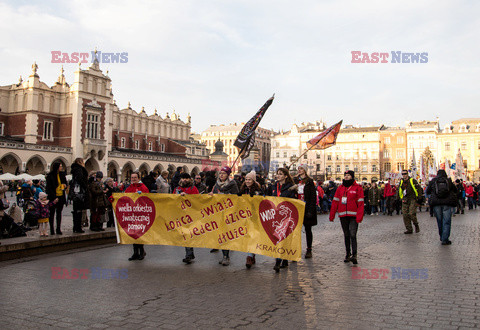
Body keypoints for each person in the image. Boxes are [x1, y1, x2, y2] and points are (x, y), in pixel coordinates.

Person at [329, 170, 364, 264]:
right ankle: (347, 254)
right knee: (346, 235)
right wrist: (332, 215)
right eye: (345, 175)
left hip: (353, 215)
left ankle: (354, 255)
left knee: (353, 234)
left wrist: (359, 216)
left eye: (348, 175)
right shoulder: (340, 188)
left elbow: (360, 203)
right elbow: (335, 201)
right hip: (343, 215)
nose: (346, 177)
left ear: (352, 177)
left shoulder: (358, 188)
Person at [209, 166, 239, 266]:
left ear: (228, 175)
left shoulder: (232, 183)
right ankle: (224, 254)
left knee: (225, 235)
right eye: (220, 173)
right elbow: (213, 194)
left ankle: (226, 257)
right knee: (220, 234)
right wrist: (211, 195)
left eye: (224, 173)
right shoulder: (217, 184)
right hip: (218, 213)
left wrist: (228, 195)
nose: (221, 175)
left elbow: (236, 197)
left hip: (229, 213)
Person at [269, 167, 297, 272]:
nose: (278, 176)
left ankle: (278, 261)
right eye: (277, 174)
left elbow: (294, 201)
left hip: (286, 216)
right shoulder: (274, 186)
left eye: (280, 174)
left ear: (285, 176)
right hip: (276, 215)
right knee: (278, 238)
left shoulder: (290, 187)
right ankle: (284, 260)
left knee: (282, 238)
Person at [239, 170, 264, 269]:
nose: (247, 181)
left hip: (255, 217)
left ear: (253, 181)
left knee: (252, 236)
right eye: (246, 179)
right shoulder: (242, 189)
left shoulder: (258, 190)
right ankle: (252, 255)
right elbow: (235, 197)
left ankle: (249, 256)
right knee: (248, 236)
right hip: (244, 216)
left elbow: (261, 201)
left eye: (249, 179)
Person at [426, 169, 457, 245]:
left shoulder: (433, 181)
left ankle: (441, 236)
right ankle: (445, 239)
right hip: (447, 203)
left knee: (439, 221)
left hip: (436, 204)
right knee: (446, 221)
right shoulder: (448, 180)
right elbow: (455, 190)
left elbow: (427, 191)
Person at [124, 171, 150, 261]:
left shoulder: (143, 187)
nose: (133, 179)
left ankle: (141, 251)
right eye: (132, 178)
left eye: (135, 178)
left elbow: (147, 198)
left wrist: (141, 195)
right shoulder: (129, 187)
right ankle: (135, 252)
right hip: (132, 214)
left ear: (138, 178)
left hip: (140, 214)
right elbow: (124, 197)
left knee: (139, 233)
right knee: (133, 233)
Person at [174, 173, 199, 264]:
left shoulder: (193, 188)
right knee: (185, 235)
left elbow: (197, 200)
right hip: (180, 215)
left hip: (190, 215)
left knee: (188, 234)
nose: (185, 180)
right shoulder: (177, 189)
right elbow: (172, 200)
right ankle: (190, 253)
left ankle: (188, 254)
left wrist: (187, 196)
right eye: (183, 178)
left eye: (187, 178)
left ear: (190, 179)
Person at [296, 164, 317, 259]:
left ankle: (309, 249)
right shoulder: (296, 181)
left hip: (306, 207)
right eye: (298, 169)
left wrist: (310, 210)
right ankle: (295, 249)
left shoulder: (309, 181)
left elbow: (313, 197)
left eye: (301, 169)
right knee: (295, 230)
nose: (299, 170)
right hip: (297, 207)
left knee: (308, 229)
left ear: (305, 170)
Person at [397, 170, 423, 234]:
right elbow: (399, 190)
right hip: (405, 199)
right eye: (403, 174)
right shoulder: (401, 182)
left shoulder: (412, 180)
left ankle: (416, 224)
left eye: (405, 174)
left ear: (407, 174)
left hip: (412, 198)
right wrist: (399, 198)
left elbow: (419, 188)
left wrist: (419, 198)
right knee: (405, 215)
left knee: (411, 213)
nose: (404, 175)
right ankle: (409, 229)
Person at [46, 163, 67, 235]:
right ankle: (52, 229)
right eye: (60, 166)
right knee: (51, 213)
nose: (61, 167)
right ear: (57, 167)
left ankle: (58, 228)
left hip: (61, 196)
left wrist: (65, 185)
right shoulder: (50, 175)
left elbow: (65, 183)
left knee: (59, 213)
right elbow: (49, 188)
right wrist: (54, 197)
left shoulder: (62, 174)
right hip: (53, 197)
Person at [69, 158, 89, 233]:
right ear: (80, 162)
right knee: (79, 210)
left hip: (76, 192)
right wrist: (85, 187)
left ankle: (76, 226)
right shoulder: (79, 169)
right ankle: (78, 227)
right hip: (80, 192)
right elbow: (80, 179)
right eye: (82, 162)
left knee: (76, 210)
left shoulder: (75, 169)